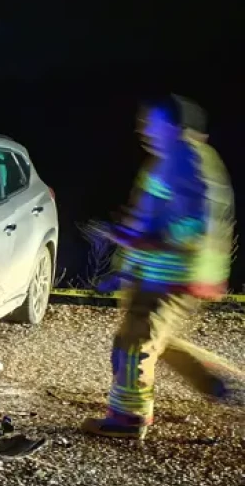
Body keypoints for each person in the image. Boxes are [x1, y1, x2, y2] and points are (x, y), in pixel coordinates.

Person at [84, 94, 241, 439]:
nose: (144, 129)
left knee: (135, 344)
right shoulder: (174, 159)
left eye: (151, 122)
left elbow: (194, 221)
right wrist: (128, 257)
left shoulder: (184, 159)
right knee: (155, 340)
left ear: (172, 125)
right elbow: (157, 214)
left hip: (168, 274)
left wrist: (146, 240)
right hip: (159, 272)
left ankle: (128, 418)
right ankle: (219, 383)